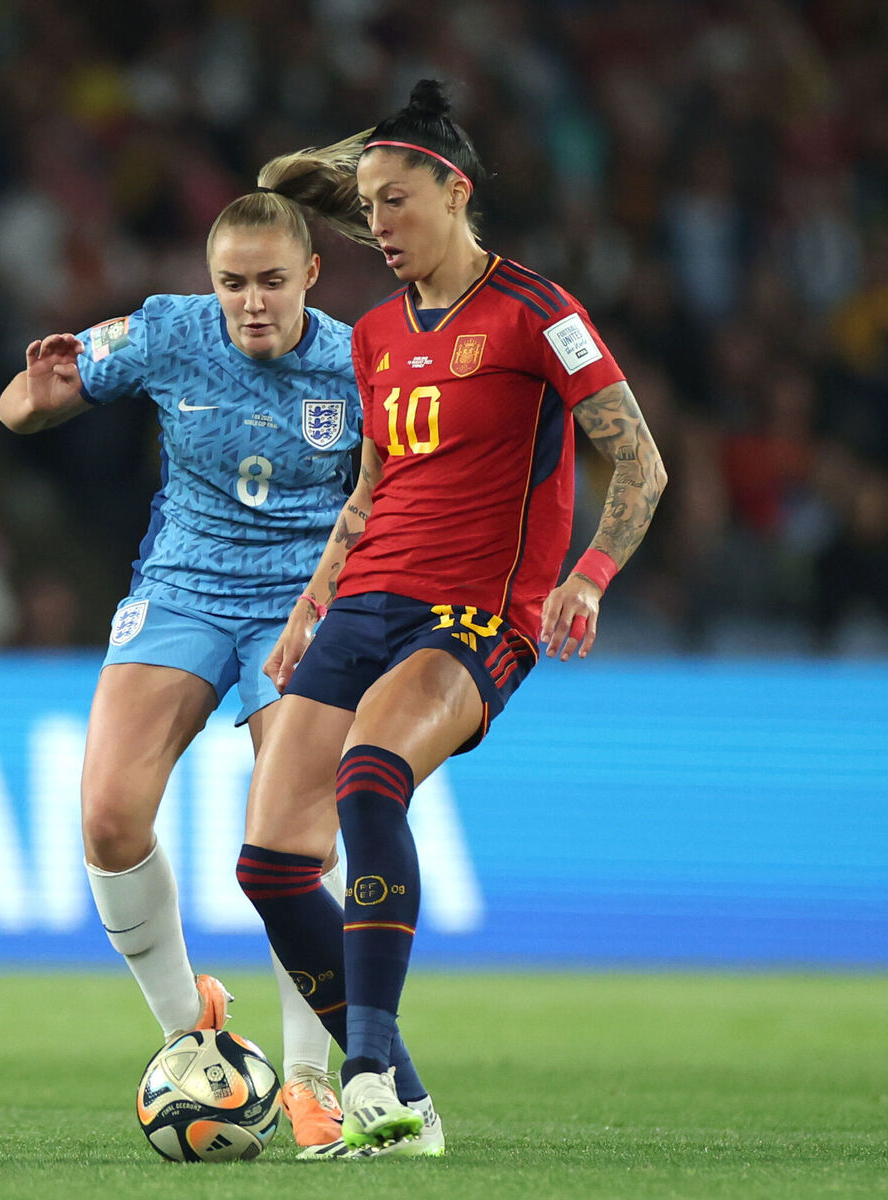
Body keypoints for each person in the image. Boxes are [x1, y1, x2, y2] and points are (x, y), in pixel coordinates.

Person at [236, 80, 668, 1156]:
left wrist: (590, 574)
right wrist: (308, 607)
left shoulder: (538, 311)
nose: (377, 225)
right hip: (364, 600)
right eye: (367, 206)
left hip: (474, 615)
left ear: (452, 191)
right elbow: (370, 490)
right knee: (272, 861)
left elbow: (640, 460)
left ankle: (368, 1065)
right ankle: (411, 1104)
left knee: (369, 775)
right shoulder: (376, 335)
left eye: (394, 202)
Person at [0, 164, 380, 1150]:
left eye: (270, 281)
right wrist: (36, 401)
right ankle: (190, 1034)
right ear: (210, 281)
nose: (250, 302)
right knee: (109, 815)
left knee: (294, 841)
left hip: (300, 604)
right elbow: (18, 405)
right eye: (233, 283)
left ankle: (307, 1078)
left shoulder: (361, 366)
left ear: (310, 274)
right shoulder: (168, 330)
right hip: (184, 588)